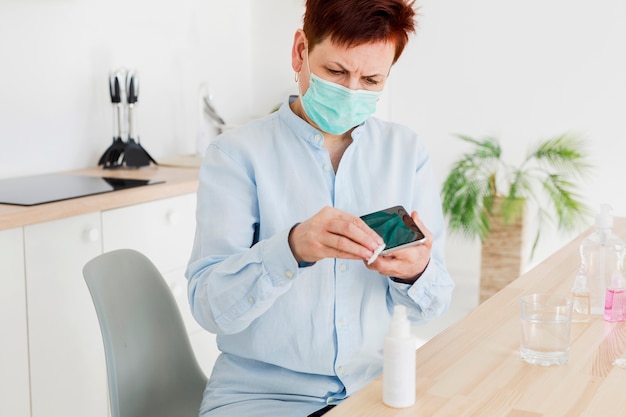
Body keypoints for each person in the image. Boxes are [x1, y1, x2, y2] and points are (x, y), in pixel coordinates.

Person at [185, 0, 454, 415]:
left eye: (371, 79)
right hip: (261, 398)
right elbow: (210, 308)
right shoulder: (236, 155)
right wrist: (290, 248)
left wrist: (415, 272)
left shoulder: (406, 152)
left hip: (374, 389)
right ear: (300, 52)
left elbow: (434, 305)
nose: (351, 92)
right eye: (336, 72)